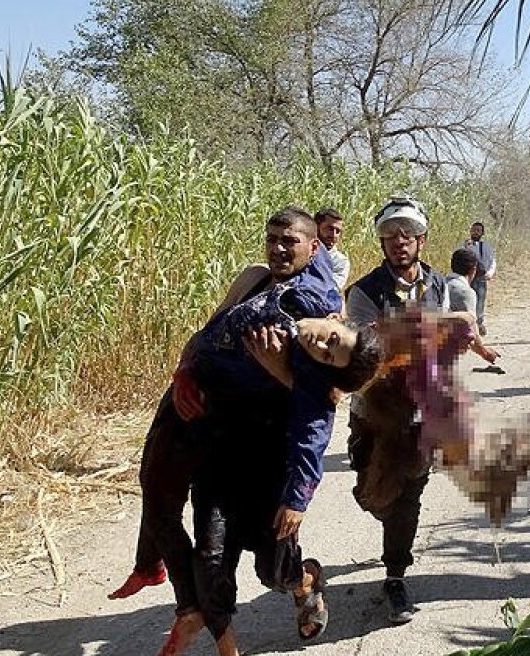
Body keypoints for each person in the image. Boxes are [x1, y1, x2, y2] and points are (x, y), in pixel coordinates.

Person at [106, 208, 350, 654]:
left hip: (269, 447)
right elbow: (206, 332)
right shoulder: (254, 279)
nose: (277, 248)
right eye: (272, 238)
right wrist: (184, 370)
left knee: (273, 569)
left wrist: (279, 371)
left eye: (288, 241)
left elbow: (329, 399)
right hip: (215, 429)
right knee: (201, 539)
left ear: (313, 247)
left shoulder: (323, 307)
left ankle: (307, 580)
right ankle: (198, 615)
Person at [344, 195, 450, 624]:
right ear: (382, 243)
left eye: (406, 233)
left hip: (422, 412)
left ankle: (395, 575)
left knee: (410, 491)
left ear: (421, 239)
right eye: (390, 235)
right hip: (376, 410)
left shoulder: (441, 285)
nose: (398, 241)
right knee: (374, 494)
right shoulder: (365, 292)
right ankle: (383, 513)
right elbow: (368, 350)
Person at [447, 248, 501, 365]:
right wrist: (486, 353)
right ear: (473, 269)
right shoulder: (466, 292)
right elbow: (470, 330)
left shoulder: (440, 283)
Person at [461, 221, 496, 336]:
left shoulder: (486, 246)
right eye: (474, 229)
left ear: (482, 233)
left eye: (478, 230)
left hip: (481, 278)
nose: (476, 232)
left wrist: (490, 273)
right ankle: (467, 325)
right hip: (467, 278)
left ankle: (479, 323)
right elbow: (458, 258)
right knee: (466, 301)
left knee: (480, 301)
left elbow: (492, 261)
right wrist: (466, 248)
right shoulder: (463, 244)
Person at [314, 207, 350, 291]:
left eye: (338, 231)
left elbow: (330, 289)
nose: (333, 235)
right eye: (330, 229)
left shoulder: (340, 261)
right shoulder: (300, 253)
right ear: (316, 226)